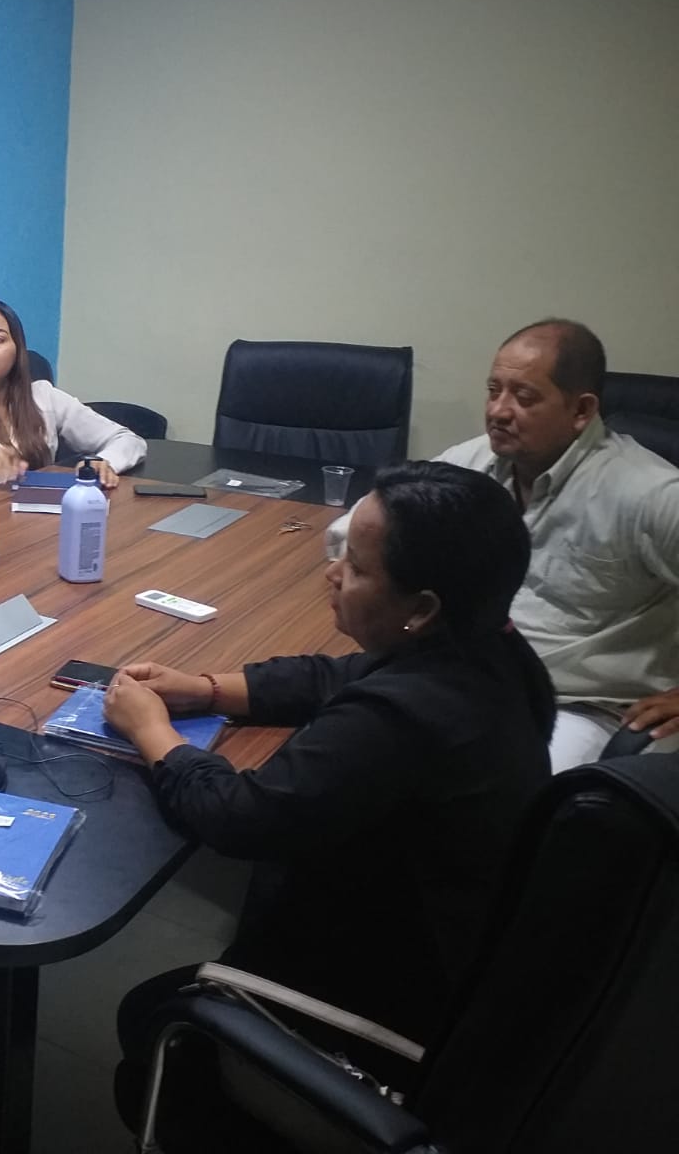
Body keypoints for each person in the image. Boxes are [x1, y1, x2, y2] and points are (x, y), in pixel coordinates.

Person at [104, 462, 553, 1140]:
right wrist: (206, 688)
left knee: (147, 1017)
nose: (332, 573)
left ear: (422, 608)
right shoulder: (489, 650)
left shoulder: (405, 718)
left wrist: (153, 732)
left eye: (358, 567)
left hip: (390, 1010)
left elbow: (240, 817)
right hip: (450, 961)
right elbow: (334, 675)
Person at [326, 318, 679, 770]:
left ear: (581, 410)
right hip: (463, 677)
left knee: (501, 798)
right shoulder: (474, 461)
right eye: (494, 391)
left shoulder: (649, 494)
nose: (498, 411)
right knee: (346, 754)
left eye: (523, 397)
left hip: (575, 706)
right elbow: (359, 527)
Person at [0, 298, 148, 487]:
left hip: (43, 523)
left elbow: (128, 440)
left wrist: (103, 463)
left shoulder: (44, 397)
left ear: (17, 351)